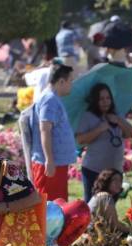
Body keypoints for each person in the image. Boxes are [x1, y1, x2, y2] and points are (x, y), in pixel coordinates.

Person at [75, 83, 132, 202]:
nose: (105, 102)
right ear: (95, 100)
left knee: (110, 208)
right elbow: (80, 140)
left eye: (108, 98)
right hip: (94, 171)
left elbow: (130, 133)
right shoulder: (88, 116)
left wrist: (118, 121)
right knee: (93, 207)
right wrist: (99, 129)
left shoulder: (116, 115)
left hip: (115, 172)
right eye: (101, 99)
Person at [30, 63, 75, 201]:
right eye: (70, 81)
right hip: (49, 164)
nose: (71, 85)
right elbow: (45, 130)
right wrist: (49, 160)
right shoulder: (49, 100)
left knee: (58, 204)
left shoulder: (53, 99)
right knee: (49, 206)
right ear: (61, 81)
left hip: (56, 163)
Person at [88, 169, 130, 234]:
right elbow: (114, 225)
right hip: (92, 235)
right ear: (106, 181)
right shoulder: (105, 196)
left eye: (120, 180)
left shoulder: (100, 195)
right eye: (115, 180)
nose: (119, 183)